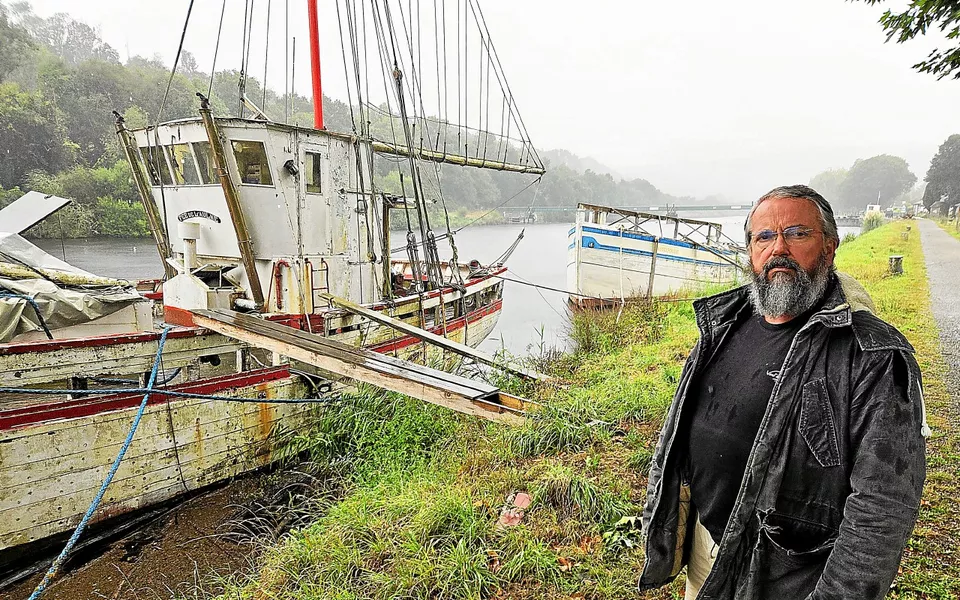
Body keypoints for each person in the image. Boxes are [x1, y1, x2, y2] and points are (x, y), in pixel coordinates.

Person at [639, 185, 929, 600]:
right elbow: (675, 438)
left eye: (797, 233)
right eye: (764, 237)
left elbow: (882, 506)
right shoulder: (723, 324)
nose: (778, 248)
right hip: (707, 550)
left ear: (829, 246)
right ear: (750, 251)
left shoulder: (874, 355)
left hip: (789, 576)